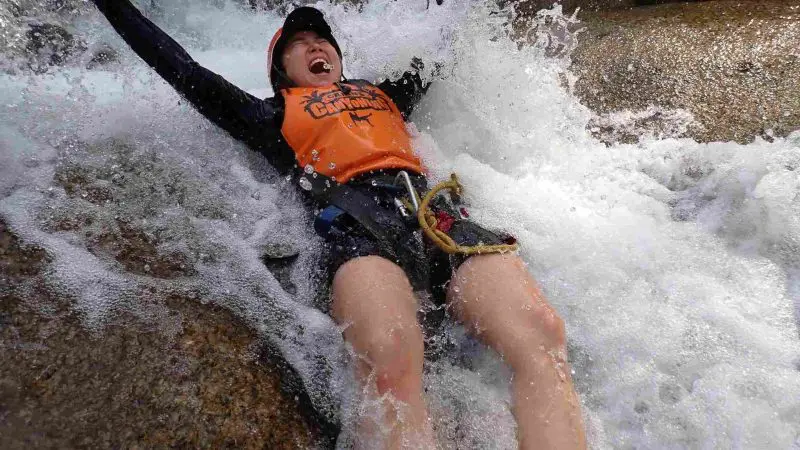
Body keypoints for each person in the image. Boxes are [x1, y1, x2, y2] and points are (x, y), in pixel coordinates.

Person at [91, 2, 586, 448]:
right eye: (298, 44)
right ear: (280, 71)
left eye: (323, 40)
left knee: (542, 334)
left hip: (436, 214)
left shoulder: (384, 95)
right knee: (389, 355)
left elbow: (444, 38)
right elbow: (179, 67)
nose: (316, 45)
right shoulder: (268, 114)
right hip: (356, 227)